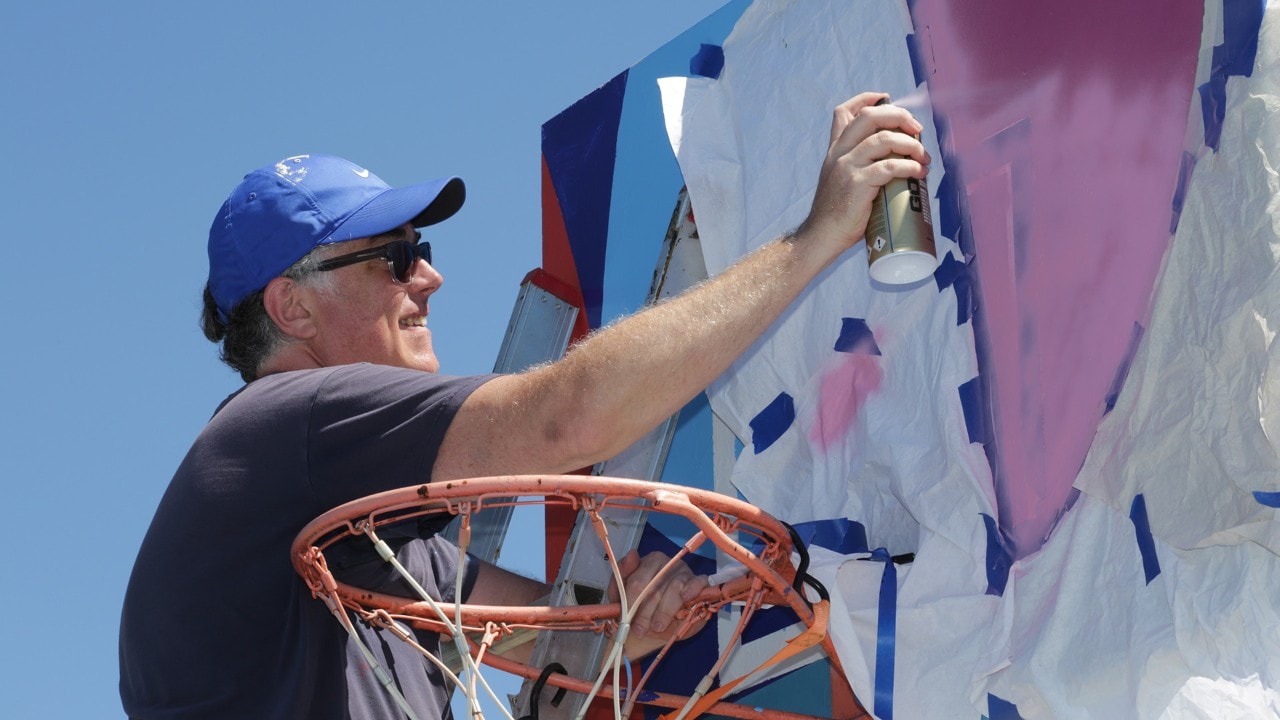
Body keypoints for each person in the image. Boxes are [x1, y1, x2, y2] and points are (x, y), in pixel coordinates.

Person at [118, 91, 929, 718]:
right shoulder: (284, 424)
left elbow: (545, 625)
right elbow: (566, 419)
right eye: (395, 258)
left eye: (422, 253)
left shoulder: (374, 537)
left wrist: (627, 619)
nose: (428, 278)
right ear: (292, 310)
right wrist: (816, 234)